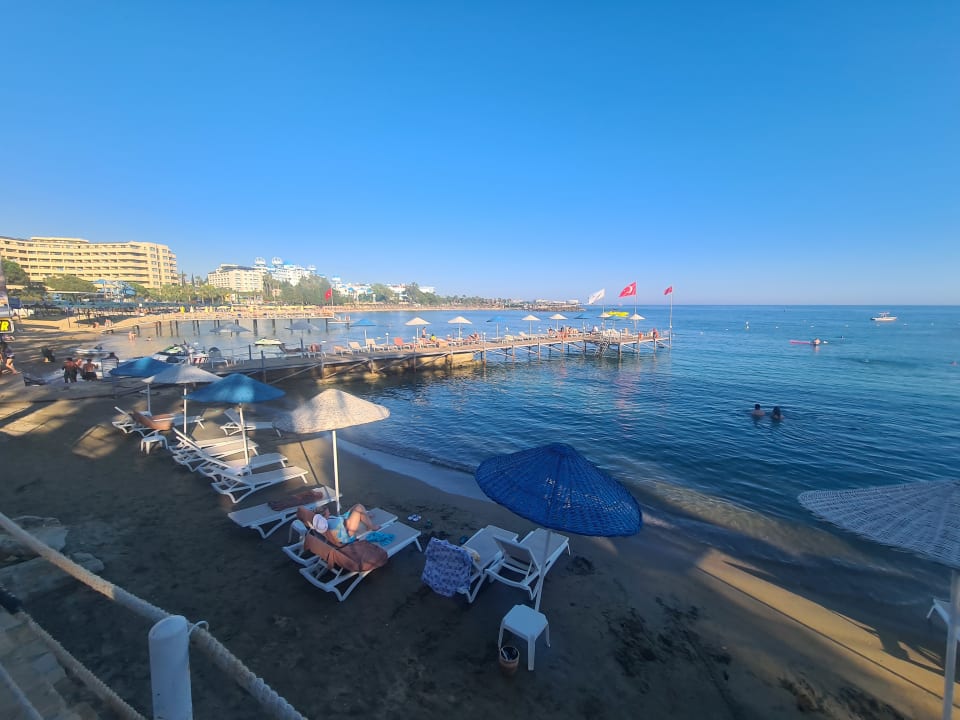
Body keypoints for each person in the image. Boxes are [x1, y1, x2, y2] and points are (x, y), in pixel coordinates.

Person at [311, 504, 381, 546]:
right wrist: (354, 517)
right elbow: (346, 526)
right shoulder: (331, 524)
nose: (329, 513)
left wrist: (352, 515)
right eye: (328, 513)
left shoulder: (322, 522)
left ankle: (364, 516)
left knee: (356, 506)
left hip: (344, 524)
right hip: (348, 533)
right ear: (323, 516)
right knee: (359, 508)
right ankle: (371, 527)